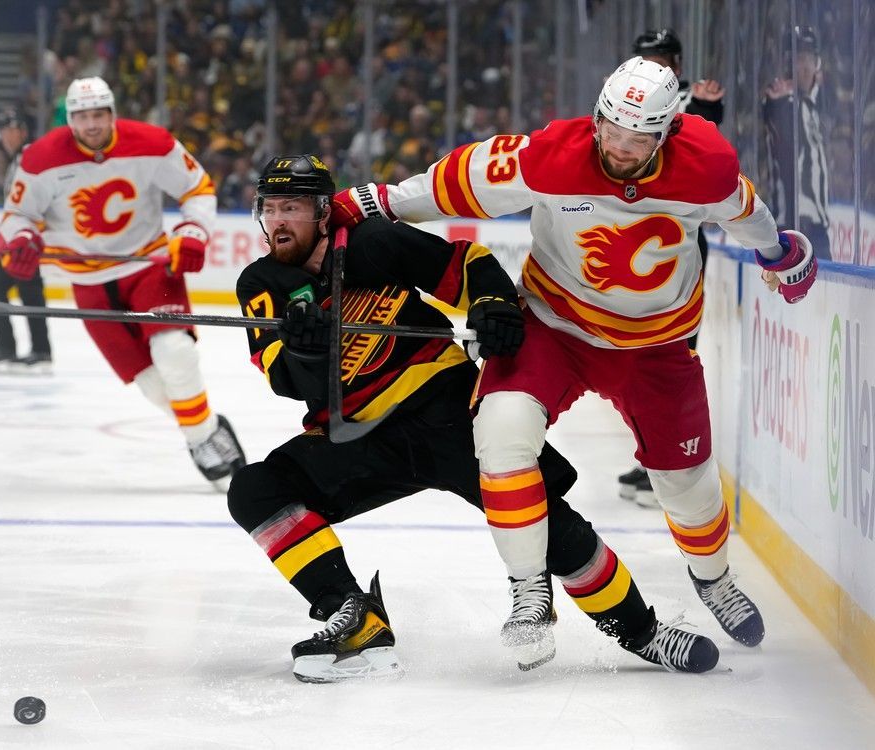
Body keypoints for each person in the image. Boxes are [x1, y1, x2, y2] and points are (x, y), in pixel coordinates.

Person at [333, 56, 819, 655]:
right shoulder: (553, 156)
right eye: (610, 130)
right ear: (597, 118)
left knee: (687, 483)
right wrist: (379, 201)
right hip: (554, 326)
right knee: (502, 432)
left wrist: (776, 253)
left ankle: (713, 577)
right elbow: (463, 181)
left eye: (637, 137)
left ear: (667, 131)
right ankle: (529, 586)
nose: (618, 148)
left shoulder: (706, 165)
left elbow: (742, 210)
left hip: (657, 346)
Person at [230, 154, 721, 683]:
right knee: (255, 490)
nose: (278, 221)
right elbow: (285, 381)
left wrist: (492, 304)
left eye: (293, 208)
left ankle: (642, 632)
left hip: (446, 414)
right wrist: (304, 351)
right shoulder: (262, 283)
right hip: (362, 437)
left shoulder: (375, 243)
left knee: (552, 530)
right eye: (271, 209)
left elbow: (469, 267)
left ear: (324, 213)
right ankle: (354, 613)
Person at [0, 77, 246, 489]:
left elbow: (197, 187)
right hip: (87, 281)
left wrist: (193, 232)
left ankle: (203, 442)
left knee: (175, 352)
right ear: (70, 119)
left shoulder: (151, 141)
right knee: (150, 383)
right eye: (82, 116)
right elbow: (16, 214)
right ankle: (204, 430)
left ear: (112, 113)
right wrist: (22, 239)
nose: (92, 124)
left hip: (147, 265)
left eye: (99, 114)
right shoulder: (41, 159)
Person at [620, 29, 728, 506]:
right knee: (637, 358)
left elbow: (696, 153)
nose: (657, 64)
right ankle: (653, 457)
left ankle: (668, 462)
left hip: (679, 246)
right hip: (633, 245)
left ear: (677, 63)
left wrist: (707, 112)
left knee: (671, 355)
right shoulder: (626, 101)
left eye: (663, 57)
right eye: (650, 57)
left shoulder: (682, 104)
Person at [0, 108, 53, 374]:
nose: (6, 136)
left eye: (12, 130)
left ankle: (40, 351)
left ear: (22, 132)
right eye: (4, 131)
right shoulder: (16, 160)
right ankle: (13, 348)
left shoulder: (30, 157)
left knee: (27, 291)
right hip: (22, 238)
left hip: (30, 239)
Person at [763, 25, 830, 261]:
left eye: (806, 58)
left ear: (816, 64)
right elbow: (786, 151)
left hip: (816, 230)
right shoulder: (786, 103)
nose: (800, 66)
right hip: (795, 229)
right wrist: (777, 104)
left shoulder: (811, 105)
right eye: (794, 58)